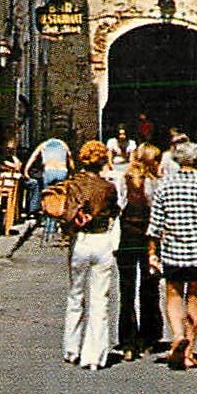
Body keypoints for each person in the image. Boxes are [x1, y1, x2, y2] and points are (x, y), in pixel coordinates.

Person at [146, 138, 197, 369]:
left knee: (173, 295)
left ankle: (176, 336)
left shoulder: (164, 186)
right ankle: (190, 351)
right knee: (194, 296)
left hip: (173, 250)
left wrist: (152, 252)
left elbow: (155, 225)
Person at [61, 140, 120, 371]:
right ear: (103, 161)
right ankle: (94, 356)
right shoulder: (108, 188)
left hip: (81, 241)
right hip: (102, 240)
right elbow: (115, 211)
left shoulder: (73, 185)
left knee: (75, 295)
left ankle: (71, 349)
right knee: (100, 299)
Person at [116, 142, 164, 358]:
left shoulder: (123, 178)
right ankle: (149, 336)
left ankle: (127, 340)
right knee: (149, 288)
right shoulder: (154, 184)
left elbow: (118, 206)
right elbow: (158, 212)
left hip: (127, 236)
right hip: (148, 238)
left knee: (126, 290)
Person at [23, 134, 73, 218]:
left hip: (49, 171)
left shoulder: (44, 144)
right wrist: (71, 173)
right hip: (62, 171)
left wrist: (26, 171)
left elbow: (33, 157)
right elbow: (70, 161)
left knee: (48, 195)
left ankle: (47, 216)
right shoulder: (64, 145)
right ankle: (59, 214)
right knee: (60, 194)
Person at [105, 123, 135, 197]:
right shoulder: (111, 142)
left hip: (126, 166)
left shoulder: (131, 143)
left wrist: (127, 172)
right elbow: (109, 159)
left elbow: (132, 160)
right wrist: (113, 169)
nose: (122, 136)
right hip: (114, 167)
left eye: (124, 134)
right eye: (120, 134)